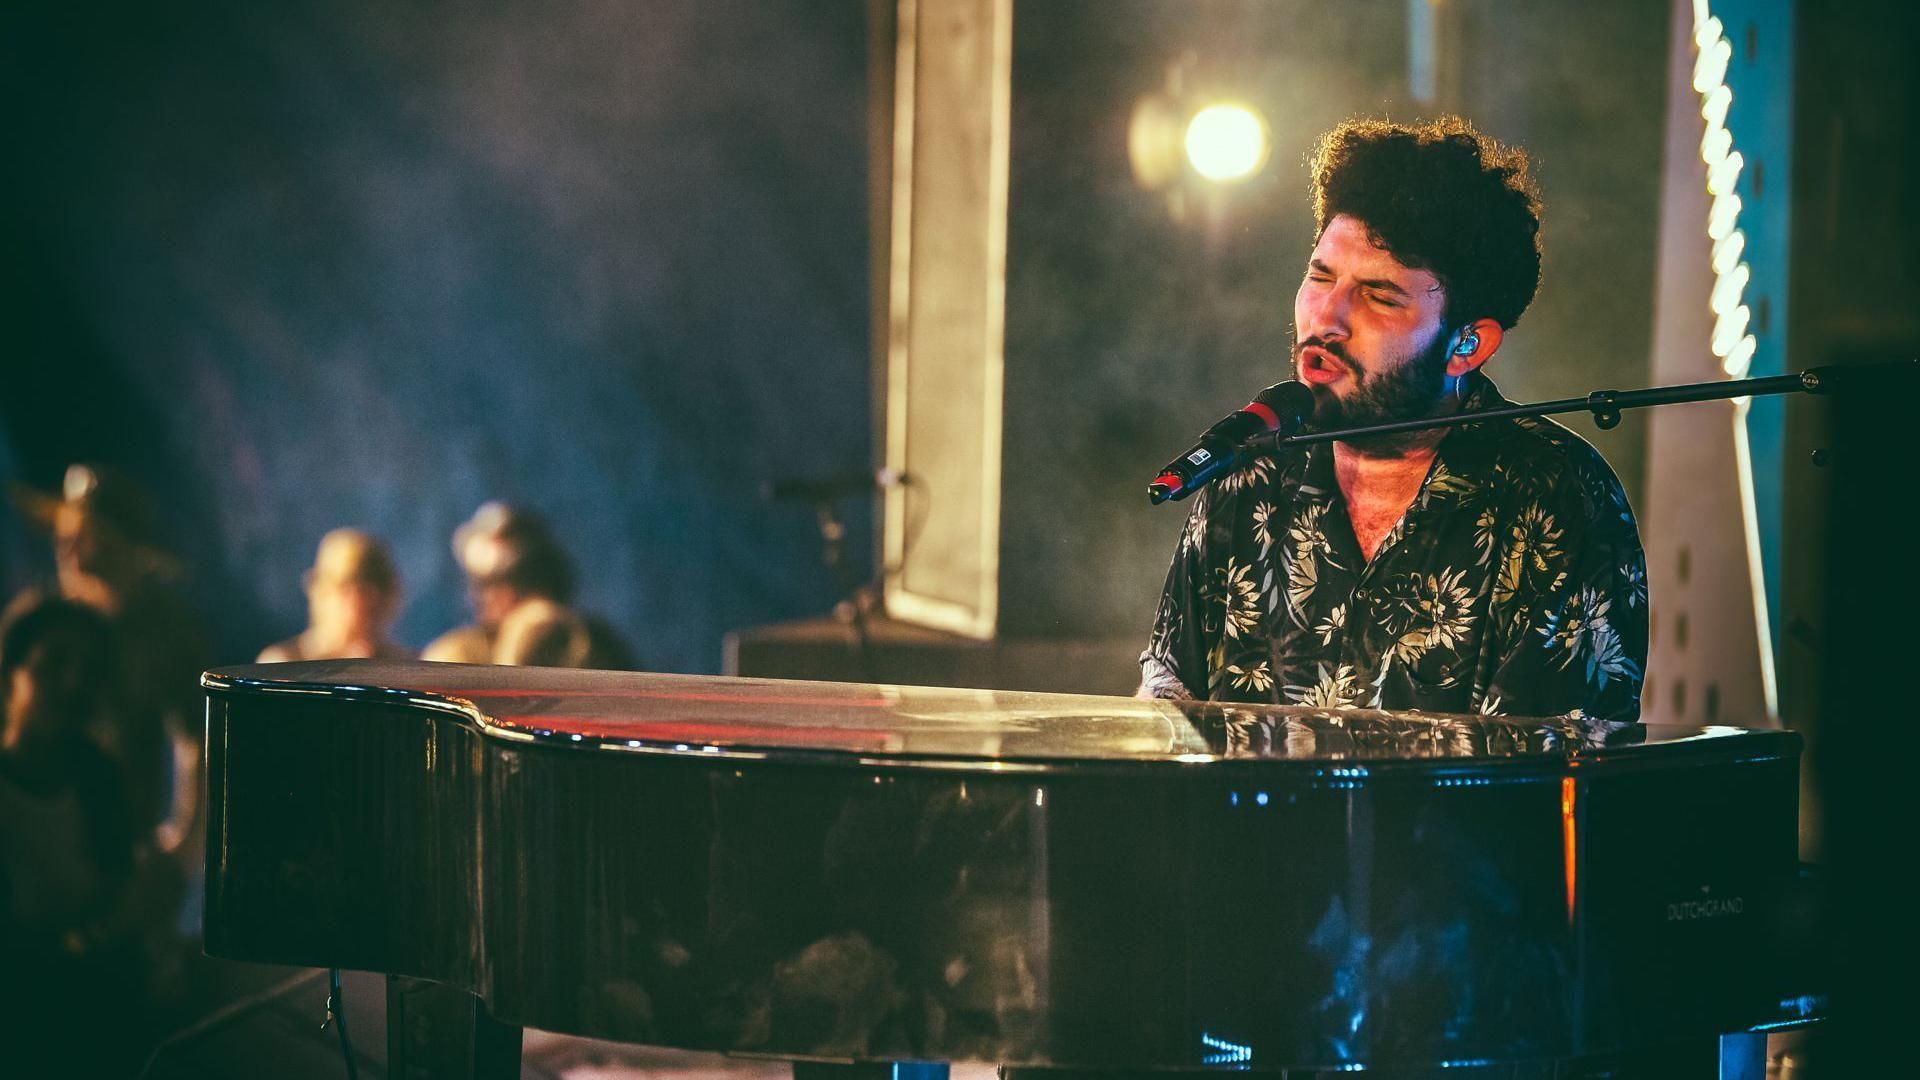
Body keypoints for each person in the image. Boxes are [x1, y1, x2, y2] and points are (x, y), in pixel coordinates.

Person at [1140, 116, 1647, 722]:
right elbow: (1168, 705)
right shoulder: (1246, 470)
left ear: (1467, 345)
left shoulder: (1555, 492)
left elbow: (1544, 771)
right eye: (1320, 276)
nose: (1327, 316)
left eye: (1381, 297)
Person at [423, 501, 635, 669]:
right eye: (481, 583)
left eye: (491, 582)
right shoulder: (459, 654)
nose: (479, 596)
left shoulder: (591, 641)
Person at [258, 528, 413, 663]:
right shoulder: (283, 665)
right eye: (351, 590)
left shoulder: (406, 666)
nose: (367, 603)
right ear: (323, 593)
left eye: (377, 592)